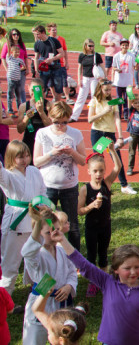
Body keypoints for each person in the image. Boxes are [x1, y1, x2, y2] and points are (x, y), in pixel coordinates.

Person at [54, 232, 139, 345]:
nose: (133, 272)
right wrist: (62, 240)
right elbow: (84, 265)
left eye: (137, 267)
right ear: (116, 269)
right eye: (127, 268)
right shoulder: (107, 282)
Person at [34, 102, 86, 250]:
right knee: (46, 222)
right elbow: (36, 160)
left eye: (64, 122)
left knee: (72, 224)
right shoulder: (43, 133)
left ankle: (74, 257)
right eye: (57, 122)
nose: (61, 126)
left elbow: (83, 160)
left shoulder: (75, 133)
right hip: (48, 187)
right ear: (50, 117)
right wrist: (52, 153)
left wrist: (72, 152)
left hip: (69, 187)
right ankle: (47, 252)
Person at [22, 207, 77, 344]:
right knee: (34, 340)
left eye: (57, 229)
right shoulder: (36, 254)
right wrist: (39, 222)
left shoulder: (61, 250)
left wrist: (69, 286)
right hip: (41, 299)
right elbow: (27, 252)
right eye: (48, 232)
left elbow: (72, 271)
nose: (53, 234)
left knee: (62, 339)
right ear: (38, 233)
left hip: (61, 301)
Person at [0, 141, 46, 301]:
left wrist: (44, 205)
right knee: (10, 264)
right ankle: (4, 301)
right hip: (16, 222)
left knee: (41, 258)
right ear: (11, 158)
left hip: (36, 221)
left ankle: (44, 296)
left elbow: (42, 191)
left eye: (27, 155)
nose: (25, 159)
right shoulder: (7, 175)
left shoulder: (34, 171)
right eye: (20, 157)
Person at [77, 144, 121, 297]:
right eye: (95, 171)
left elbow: (118, 167)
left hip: (105, 226)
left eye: (101, 170)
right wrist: (91, 206)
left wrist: (112, 151)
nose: (98, 174)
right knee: (91, 255)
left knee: (103, 255)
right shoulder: (85, 189)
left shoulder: (106, 184)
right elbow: (79, 211)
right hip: (91, 228)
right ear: (88, 171)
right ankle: (92, 282)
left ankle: (102, 281)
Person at [87, 79, 135, 195]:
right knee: (98, 159)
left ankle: (124, 185)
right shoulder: (94, 101)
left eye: (110, 89)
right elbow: (90, 119)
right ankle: (99, 186)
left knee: (117, 158)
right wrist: (103, 112)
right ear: (100, 89)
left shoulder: (113, 101)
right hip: (97, 133)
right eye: (106, 90)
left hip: (109, 133)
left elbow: (117, 119)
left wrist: (120, 136)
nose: (108, 92)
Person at [70, 39, 106, 123]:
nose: (91, 47)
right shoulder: (82, 56)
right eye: (89, 46)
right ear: (85, 46)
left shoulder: (96, 55)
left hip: (94, 79)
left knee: (95, 97)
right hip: (85, 78)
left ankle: (96, 116)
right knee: (81, 98)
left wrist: (105, 77)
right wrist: (79, 80)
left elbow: (102, 66)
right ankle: (74, 116)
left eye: (92, 46)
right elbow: (79, 68)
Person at [32, 25, 64, 102]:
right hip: (44, 70)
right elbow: (36, 57)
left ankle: (56, 105)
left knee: (58, 89)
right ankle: (42, 105)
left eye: (38, 34)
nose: (36, 36)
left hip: (56, 68)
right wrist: (36, 70)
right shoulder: (37, 43)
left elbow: (61, 53)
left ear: (43, 33)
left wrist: (52, 59)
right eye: (35, 34)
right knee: (41, 88)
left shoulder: (53, 41)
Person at [2, 28, 29, 111]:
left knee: (21, 90)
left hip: (20, 71)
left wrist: (26, 68)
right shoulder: (8, 46)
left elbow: (25, 57)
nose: (16, 36)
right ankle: (10, 109)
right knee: (11, 92)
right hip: (12, 72)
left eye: (17, 34)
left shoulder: (21, 44)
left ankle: (22, 107)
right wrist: (7, 68)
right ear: (11, 35)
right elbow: (3, 57)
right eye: (14, 34)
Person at [46, 23, 72, 104]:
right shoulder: (47, 40)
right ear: (49, 31)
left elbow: (64, 51)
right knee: (51, 82)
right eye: (53, 30)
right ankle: (55, 97)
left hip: (60, 64)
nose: (55, 31)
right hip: (50, 64)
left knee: (64, 81)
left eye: (56, 29)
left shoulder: (61, 39)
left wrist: (66, 62)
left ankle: (67, 98)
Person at [112, 38, 135, 120]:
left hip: (128, 81)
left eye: (126, 45)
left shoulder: (131, 55)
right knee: (119, 98)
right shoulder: (116, 56)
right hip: (119, 81)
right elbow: (113, 67)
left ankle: (126, 113)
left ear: (128, 46)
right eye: (123, 45)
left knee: (126, 98)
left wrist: (137, 61)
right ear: (120, 46)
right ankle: (118, 113)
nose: (125, 47)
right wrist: (117, 70)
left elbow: (134, 66)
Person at [126, 95, 139, 176]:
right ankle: (130, 167)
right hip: (133, 134)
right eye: (135, 103)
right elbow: (128, 101)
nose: (137, 104)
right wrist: (129, 93)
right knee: (132, 151)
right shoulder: (132, 110)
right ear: (132, 104)